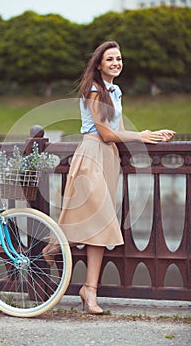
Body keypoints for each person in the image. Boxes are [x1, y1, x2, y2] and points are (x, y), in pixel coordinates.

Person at [43, 41, 175, 314]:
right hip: (91, 154)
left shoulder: (116, 91)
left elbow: (120, 130)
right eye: (111, 59)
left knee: (100, 226)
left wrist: (152, 136)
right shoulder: (93, 91)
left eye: (119, 58)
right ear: (99, 64)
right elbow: (104, 133)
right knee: (99, 217)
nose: (116, 62)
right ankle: (55, 245)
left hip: (110, 159)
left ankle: (89, 289)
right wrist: (140, 135)